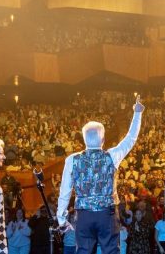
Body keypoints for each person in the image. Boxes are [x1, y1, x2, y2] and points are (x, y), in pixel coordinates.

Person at [57, 96, 144, 254]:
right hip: (107, 215)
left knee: (83, 251)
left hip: (83, 216)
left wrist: (61, 219)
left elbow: (64, 192)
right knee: (111, 251)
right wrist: (137, 113)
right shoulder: (112, 156)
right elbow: (130, 139)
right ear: (103, 139)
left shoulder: (72, 160)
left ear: (84, 139)